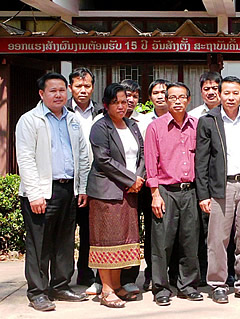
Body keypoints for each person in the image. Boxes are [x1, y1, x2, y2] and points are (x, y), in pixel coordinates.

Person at [16, 72, 90, 311]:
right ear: (41, 94)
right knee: (39, 244)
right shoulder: (30, 120)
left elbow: (82, 156)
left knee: (64, 241)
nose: (58, 95)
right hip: (42, 192)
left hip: (68, 189)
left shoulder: (73, 120)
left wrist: (82, 187)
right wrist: (35, 193)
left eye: (61, 90)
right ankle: (37, 291)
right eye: (52, 90)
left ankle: (60, 285)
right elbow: (25, 159)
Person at [196, 76, 240, 304]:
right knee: (218, 239)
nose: (230, 97)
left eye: (235, 93)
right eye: (226, 92)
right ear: (220, 94)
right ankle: (218, 284)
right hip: (220, 188)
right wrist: (203, 194)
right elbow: (201, 161)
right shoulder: (209, 120)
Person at [87, 83, 146, 308]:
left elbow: (141, 156)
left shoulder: (132, 125)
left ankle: (118, 284)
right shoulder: (100, 127)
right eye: (116, 102)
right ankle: (107, 290)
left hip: (129, 192)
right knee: (107, 240)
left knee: (122, 239)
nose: (121, 106)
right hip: (106, 193)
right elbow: (103, 160)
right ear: (106, 105)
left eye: (124, 101)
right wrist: (131, 180)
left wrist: (138, 179)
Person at [145, 82, 202, 306]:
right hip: (166, 192)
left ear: (189, 100)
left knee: (189, 241)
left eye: (181, 97)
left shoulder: (197, 125)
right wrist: (155, 194)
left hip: (190, 192)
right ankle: (160, 288)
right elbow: (151, 162)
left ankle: (187, 286)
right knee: (162, 243)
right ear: (166, 101)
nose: (177, 101)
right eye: (172, 97)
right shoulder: (155, 127)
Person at [64, 67, 103, 294]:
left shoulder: (100, 111)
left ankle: (87, 273)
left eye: (87, 85)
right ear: (71, 88)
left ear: (92, 87)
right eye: (78, 86)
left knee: (90, 232)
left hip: (94, 182)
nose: (82, 90)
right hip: (69, 182)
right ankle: (62, 277)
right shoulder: (63, 111)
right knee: (66, 233)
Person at [188, 71, 223, 286]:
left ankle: (225, 273)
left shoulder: (232, 114)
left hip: (224, 183)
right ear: (201, 91)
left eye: (214, 88)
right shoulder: (194, 117)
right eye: (206, 88)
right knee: (202, 231)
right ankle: (202, 273)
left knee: (225, 233)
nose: (211, 92)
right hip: (201, 183)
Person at [138, 79, 169, 292]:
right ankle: (151, 274)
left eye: (164, 92)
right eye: (155, 92)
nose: (160, 96)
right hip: (148, 185)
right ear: (150, 98)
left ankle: (172, 273)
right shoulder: (143, 122)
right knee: (152, 232)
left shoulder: (186, 119)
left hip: (171, 185)